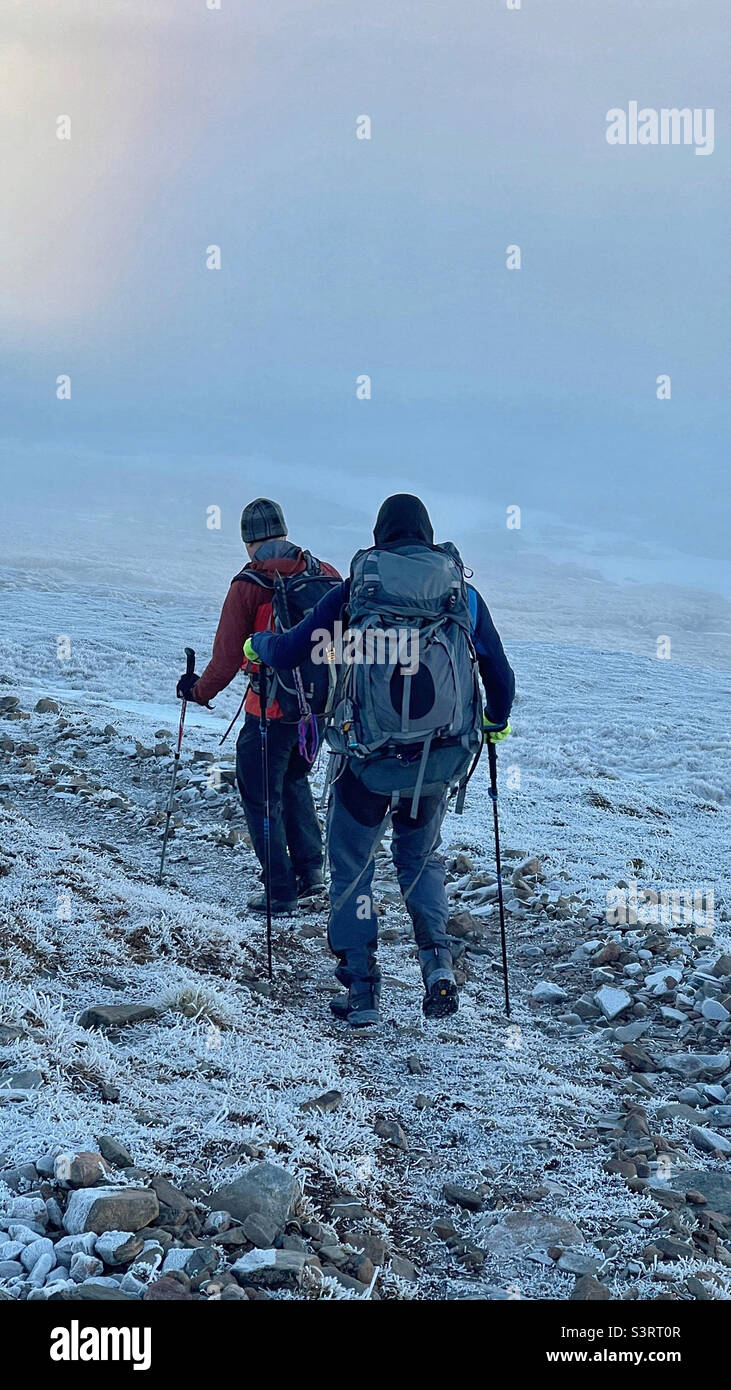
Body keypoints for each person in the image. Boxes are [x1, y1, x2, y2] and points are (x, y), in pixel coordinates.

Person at [244, 493, 515, 1027]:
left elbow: (294, 649)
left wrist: (258, 645)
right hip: (435, 762)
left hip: (364, 764)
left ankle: (363, 990)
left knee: (353, 868)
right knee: (420, 860)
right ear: (429, 536)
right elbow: (500, 675)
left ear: (379, 536)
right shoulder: (463, 595)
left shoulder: (357, 592)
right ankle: (437, 968)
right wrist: (494, 722)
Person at [177, 498, 341, 914]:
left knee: (258, 794)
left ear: (247, 540)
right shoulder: (326, 574)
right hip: (317, 708)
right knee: (293, 780)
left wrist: (198, 692)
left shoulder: (249, 584)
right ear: (284, 532)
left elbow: (228, 657)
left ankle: (280, 891)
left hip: (269, 709)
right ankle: (312, 875)